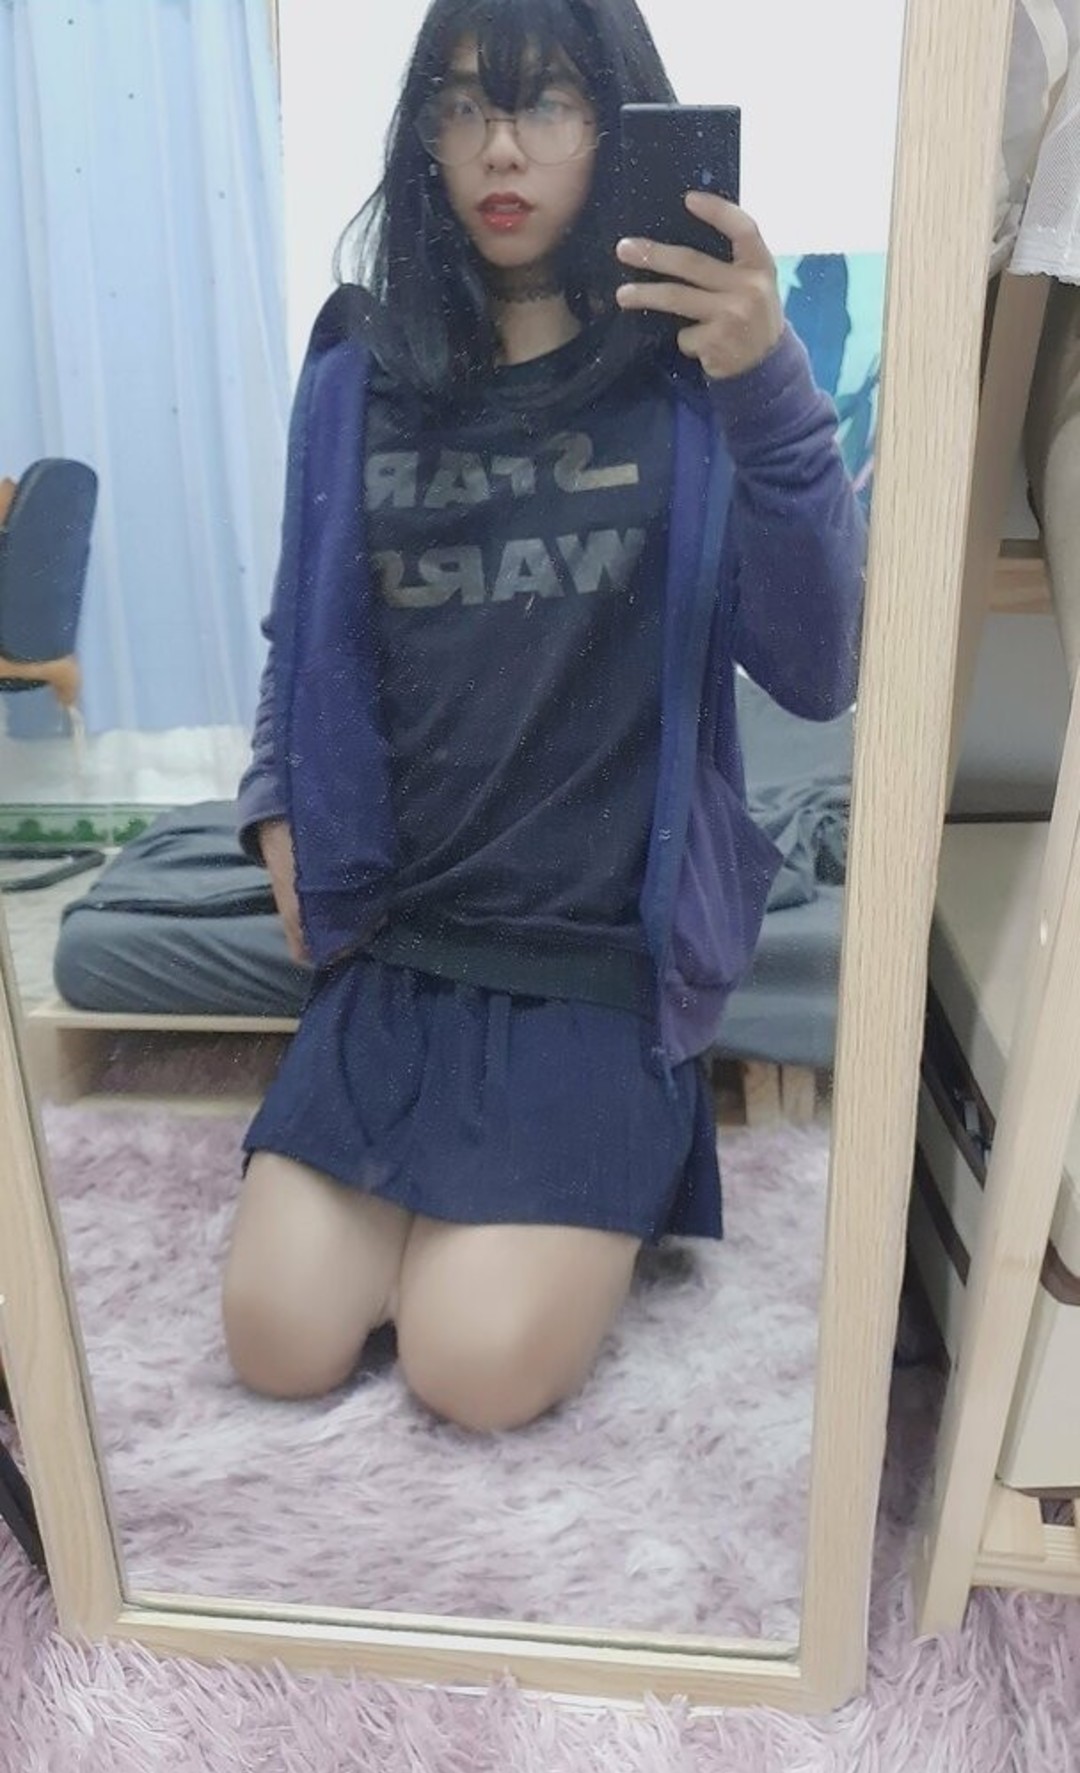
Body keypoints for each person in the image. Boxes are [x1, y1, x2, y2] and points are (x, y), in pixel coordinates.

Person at [222, 0, 866, 1433]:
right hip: (399, 946)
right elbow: (301, 629)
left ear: (621, 121)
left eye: (549, 104)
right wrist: (275, 803)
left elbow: (820, 668)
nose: (500, 147)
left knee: (473, 1365)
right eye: (461, 105)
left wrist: (768, 387)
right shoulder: (359, 367)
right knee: (278, 1341)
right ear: (423, 135)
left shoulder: (691, 378)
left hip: (594, 964)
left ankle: (592, 1187)